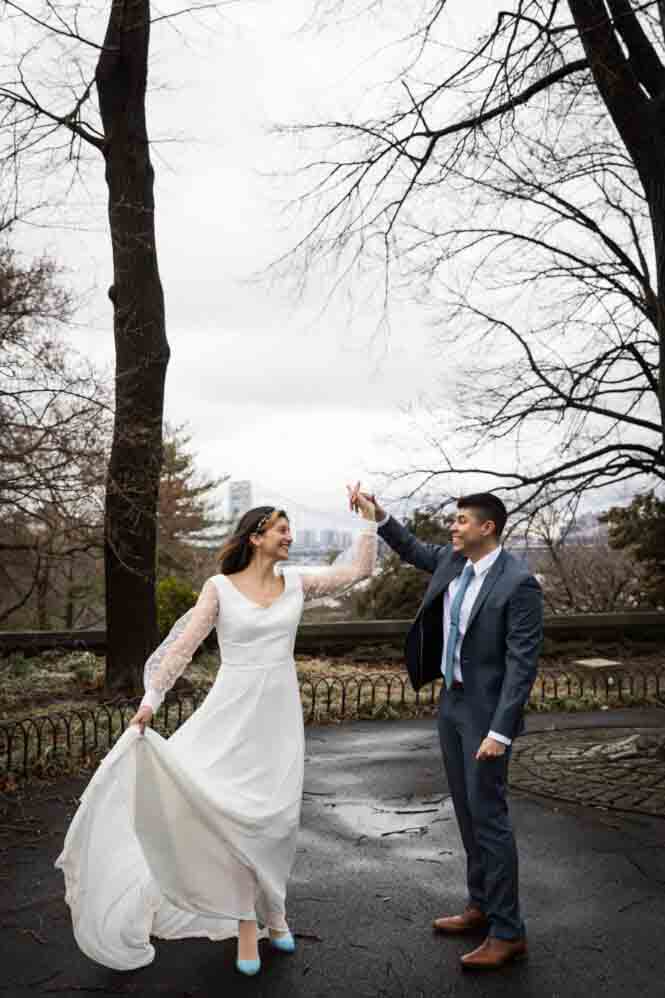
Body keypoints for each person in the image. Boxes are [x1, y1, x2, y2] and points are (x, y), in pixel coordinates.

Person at [55, 489, 377, 976]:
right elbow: (182, 648)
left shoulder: (296, 583)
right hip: (231, 714)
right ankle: (247, 921)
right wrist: (149, 702)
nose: (290, 536)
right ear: (256, 537)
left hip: (279, 717)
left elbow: (357, 572)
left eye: (290, 528)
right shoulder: (219, 588)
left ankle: (276, 910)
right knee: (234, 817)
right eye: (282, 528)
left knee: (278, 819)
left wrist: (370, 522)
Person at [349, 487, 543, 971]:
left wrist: (500, 731)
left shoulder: (518, 583)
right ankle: (481, 906)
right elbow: (413, 547)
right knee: (466, 812)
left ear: (487, 528)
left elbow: (523, 664)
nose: (452, 527)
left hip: (484, 715)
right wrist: (379, 516)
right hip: (451, 703)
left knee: (490, 818)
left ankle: (508, 931)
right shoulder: (453, 563)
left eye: (460, 521)